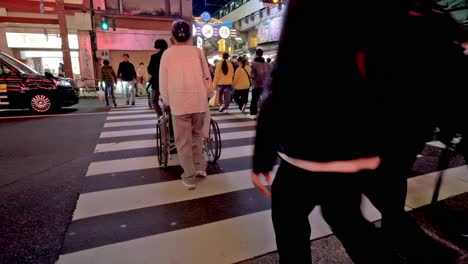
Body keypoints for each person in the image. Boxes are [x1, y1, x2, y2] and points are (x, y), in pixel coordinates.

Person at [159, 20, 213, 190]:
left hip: (178, 102)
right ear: (190, 35)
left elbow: (163, 82)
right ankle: (199, 168)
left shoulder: (167, 54)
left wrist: (166, 101)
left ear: (172, 36)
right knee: (197, 136)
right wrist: (208, 94)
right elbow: (206, 76)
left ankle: (189, 177)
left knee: (183, 142)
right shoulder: (197, 52)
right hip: (199, 101)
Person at [248, 48, 271, 119]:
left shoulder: (254, 63)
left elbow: (252, 75)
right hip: (265, 84)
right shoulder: (267, 64)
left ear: (256, 54)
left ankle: (253, 114)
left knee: (254, 99)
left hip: (256, 84)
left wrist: (250, 75)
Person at [147, 39, 168, 117]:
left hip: (157, 82)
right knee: (170, 101)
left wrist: (156, 74)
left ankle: (160, 116)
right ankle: (169, 115)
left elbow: (149, 70)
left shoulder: (154, 57)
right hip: (169, 82)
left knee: (154, 101)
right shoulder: (169, 56)